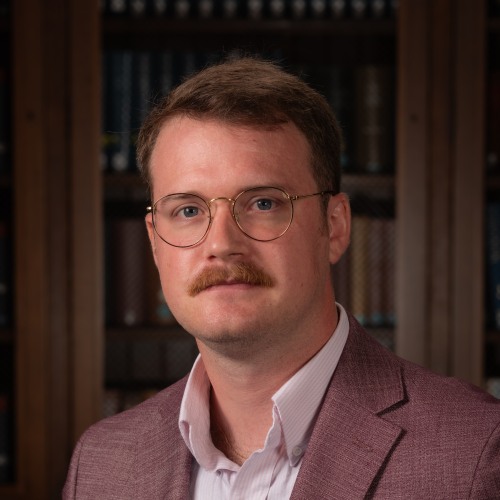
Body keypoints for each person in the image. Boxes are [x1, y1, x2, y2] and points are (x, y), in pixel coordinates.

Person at [63, 57, 500, 499]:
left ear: (334, 226)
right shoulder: (102, 464)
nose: (221, 243)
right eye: (189, 211)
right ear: (155, 243)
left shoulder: (474, 454)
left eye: (263, 203)